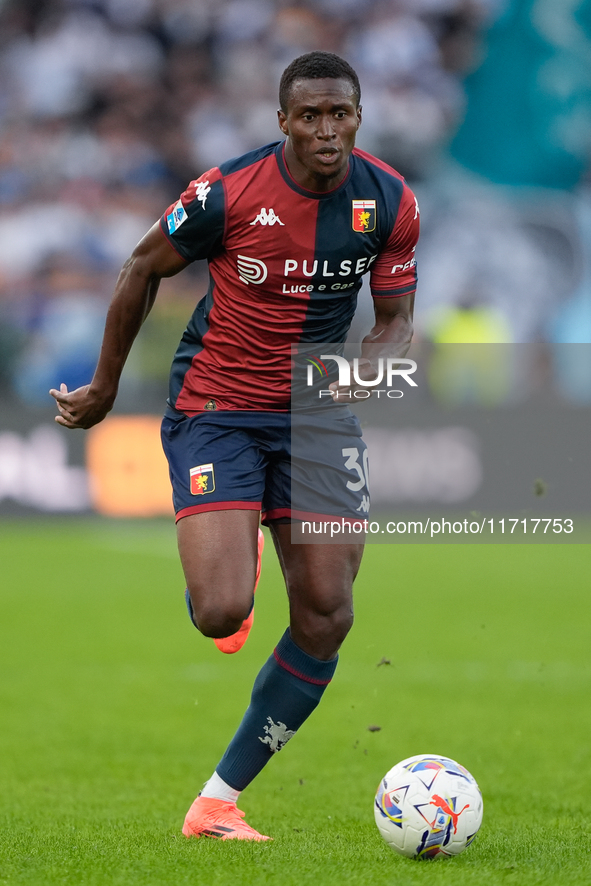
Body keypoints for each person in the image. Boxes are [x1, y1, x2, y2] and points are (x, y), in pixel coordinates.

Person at [50, 51, 419, 842]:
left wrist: (378, 359)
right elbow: (140, 267)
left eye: (340, 114)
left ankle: (215, 802)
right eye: (310, 116)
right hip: (217, 406)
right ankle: (235, 545)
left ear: (358, 116)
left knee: (326, 614)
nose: (327, 129)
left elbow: (393, 315)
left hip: (316, 414)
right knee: (221, 611)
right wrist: (106, 386)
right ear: (282, 121)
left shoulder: (388, 199)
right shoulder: (226, 193)